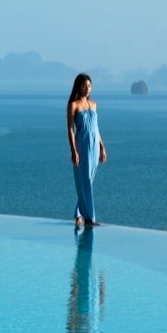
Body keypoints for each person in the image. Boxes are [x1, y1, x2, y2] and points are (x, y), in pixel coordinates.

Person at [67, 73, 107, 226]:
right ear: (78, 86)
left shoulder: (94, 105)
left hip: (94, 147)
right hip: (81, 146)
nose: (87, 89)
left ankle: (79, 214)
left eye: (89, 86)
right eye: (84, 86)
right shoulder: (74, 105)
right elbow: (70, 129)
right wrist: (73, 150)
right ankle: (90, 218)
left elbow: (96, 129)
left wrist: (102, 147)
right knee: (84, 181)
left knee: (88, 182)